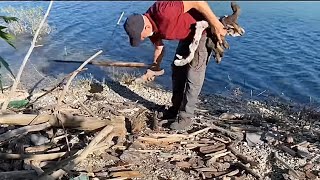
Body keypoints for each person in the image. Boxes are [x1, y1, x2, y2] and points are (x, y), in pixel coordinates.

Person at [123, 1, 227, 130]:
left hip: (203, 32)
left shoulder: (164, 12)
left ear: (146, 28)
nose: (142, 39)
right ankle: (174, 109)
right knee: (177, 71)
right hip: (187, 36)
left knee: (193, 76)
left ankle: (185, 118)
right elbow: (158, 47)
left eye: (140, 37)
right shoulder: (151, 27)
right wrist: (155, 67)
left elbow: (197, 2)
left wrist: (216, 25)